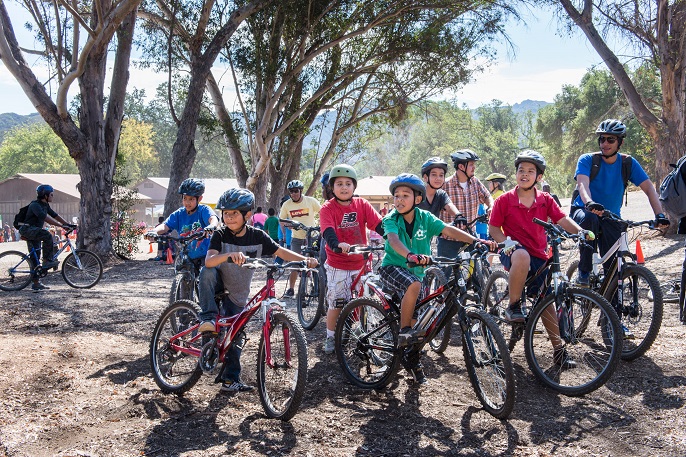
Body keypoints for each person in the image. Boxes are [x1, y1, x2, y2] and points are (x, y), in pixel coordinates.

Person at [197, 188, 318, 392]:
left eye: (234, 213)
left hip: (237, 292)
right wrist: (229, 255)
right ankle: (207, 318)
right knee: (206, 271)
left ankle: (230, 379)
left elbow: (281, 252)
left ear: (248, 215)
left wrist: (304, 259)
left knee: (236, 333)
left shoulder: (257, 236)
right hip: (217, 285)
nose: (229, 217)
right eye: (226, 213)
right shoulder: (219, 234)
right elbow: (209, 260)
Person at [379, 173, 486, 384]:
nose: (399, 200)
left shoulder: (425, 218)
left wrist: (476, 240)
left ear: (418, 199)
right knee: (414, 288)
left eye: (405, 195)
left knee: (422, 323)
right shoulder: (391, 219)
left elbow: (448, 229)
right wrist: (410, 255)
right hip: (392, 267)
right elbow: (392, 240)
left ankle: (413, 359)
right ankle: (404, 332)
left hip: (418, 272)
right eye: (396, 196)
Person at [489, 150, 592, 368]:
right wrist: (506, 242)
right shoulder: (504, 200)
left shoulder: (545, 200)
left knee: (547, 303)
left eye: (530, 171)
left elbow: (562, 219)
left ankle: (559, 351)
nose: (524, 174)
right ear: (515, 174)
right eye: (520, 170)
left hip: (539, 255)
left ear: (539, 177)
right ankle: (514, 305)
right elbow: (493, 227)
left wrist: (580, 231)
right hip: (513, 253)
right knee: (522, 254)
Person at [571, 119, 669, 289]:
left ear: (620, 142)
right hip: (583, 211)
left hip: (610, 215)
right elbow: (582, 185)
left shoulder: (627, 163)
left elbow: (649, 189)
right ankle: (584, 273)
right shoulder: (587, 160)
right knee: (590, 219)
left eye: (610, 139)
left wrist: (659, 215)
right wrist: (590, 203)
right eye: (602, 139)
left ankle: (611, 310)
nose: (605, 143)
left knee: (614, 273)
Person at [319, 164, 383, 353]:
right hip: (338, 263)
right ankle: (331, 336)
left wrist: (390, 237)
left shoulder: (362, 204)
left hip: (362, 262)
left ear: (354, 187)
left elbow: (378, 224)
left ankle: (366, 332)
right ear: (332, 187)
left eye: (348, 183)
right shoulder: (327, 208)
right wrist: (337, 244)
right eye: (339, 183)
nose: (344, 187)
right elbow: (328, 231)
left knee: (367, 299)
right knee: (337, 302)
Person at [145, 179, 219, 272]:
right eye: (185, 198)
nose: (187, 202)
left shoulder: (203, 210)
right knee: (182, 274)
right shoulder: (179, 214)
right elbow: (165, 226)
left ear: (199, 199)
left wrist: (212, 225)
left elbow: (213, 218)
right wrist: (154, 231)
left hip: (205, 255)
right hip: (186, 255)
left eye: (191, 199)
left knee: (205, 277)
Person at [438, 149, 493, 273]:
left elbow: (487, 196)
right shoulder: (444, 185)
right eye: (471, 164)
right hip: (448, 238)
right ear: (461, 166)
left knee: (480, 270)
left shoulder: (475, 182)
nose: (474, 167)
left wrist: (490, 206)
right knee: (444, 275)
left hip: (470, 235)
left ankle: (482, 290)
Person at [18, 184, 72, 291]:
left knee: (35, 257)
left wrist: (67, 224)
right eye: (51, 194)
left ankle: (36, 283)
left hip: (35, 231)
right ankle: (47, 260)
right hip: (28, 230)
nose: (53, 196)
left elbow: (54, 215)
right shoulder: (35, 205)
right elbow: (46, 218)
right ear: (45, 195)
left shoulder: (45, 205)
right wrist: (61, 226)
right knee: (47, 235)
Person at [279, 180, 322, 296]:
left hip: (311, 237)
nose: (293, 194)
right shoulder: (287, 204)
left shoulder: (310, 201)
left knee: (315, 263)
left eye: (296, 191)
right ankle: (291, 289)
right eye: (291, 192)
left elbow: (323, 212)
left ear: (301, 191)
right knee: (295, 264)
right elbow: (281, 220)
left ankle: (316, 287)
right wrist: (288, 225)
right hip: (296, 238)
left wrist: (322, 227)